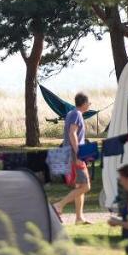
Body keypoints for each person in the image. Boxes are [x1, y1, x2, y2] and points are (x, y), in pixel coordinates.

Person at [54, 92, 91, 224]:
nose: (90, 105)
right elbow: (72, 133)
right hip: (75, 154)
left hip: (70, 153)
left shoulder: (71, 113)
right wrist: (78, 152)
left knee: (79, 186)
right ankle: (59, 205)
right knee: (86, 186)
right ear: (84, 103)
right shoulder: (77, 114)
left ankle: (79, 218)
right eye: (89, 103)